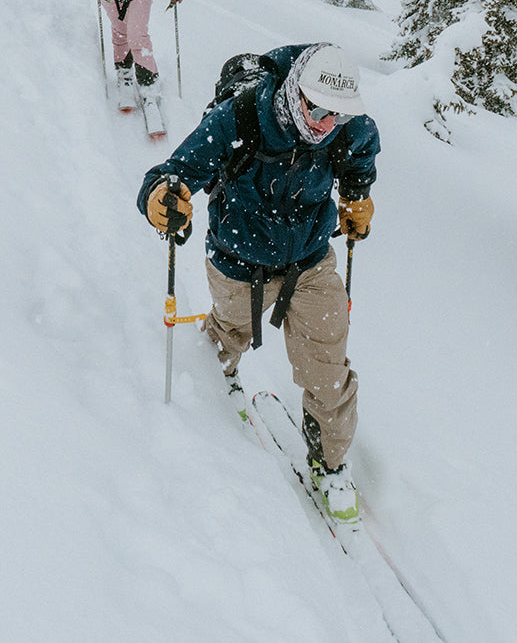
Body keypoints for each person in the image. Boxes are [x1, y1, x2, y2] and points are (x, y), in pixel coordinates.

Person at [136, 42, 379, 522]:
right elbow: (173, 173)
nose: (327, 124)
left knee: (328, 370)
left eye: (339, 114)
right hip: (238, 259)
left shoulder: (346, 129)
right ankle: (218, 379)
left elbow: (360, 156)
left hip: (310, 261)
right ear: (295, 93)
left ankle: (329, 463)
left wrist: (356, 197)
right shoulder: (239, 120)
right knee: (229, 333)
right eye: (319, 109)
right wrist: (161, 197)